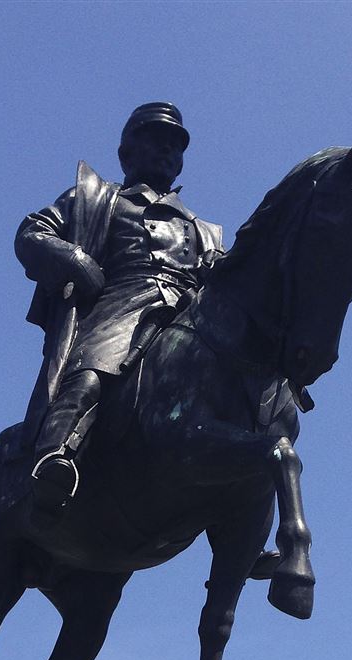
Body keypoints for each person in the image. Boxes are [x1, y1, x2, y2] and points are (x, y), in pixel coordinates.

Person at [15, 102, 224, 521]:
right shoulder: (95, 198)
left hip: (191, 317)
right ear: (127, 153)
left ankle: (238, 510)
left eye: (175, 145)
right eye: (156, 140)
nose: (167, 151)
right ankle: (55, 454)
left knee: (240, 389)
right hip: (122, 306)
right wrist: (75, 259)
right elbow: (32, 233)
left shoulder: (206, 230)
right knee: (93, 373)